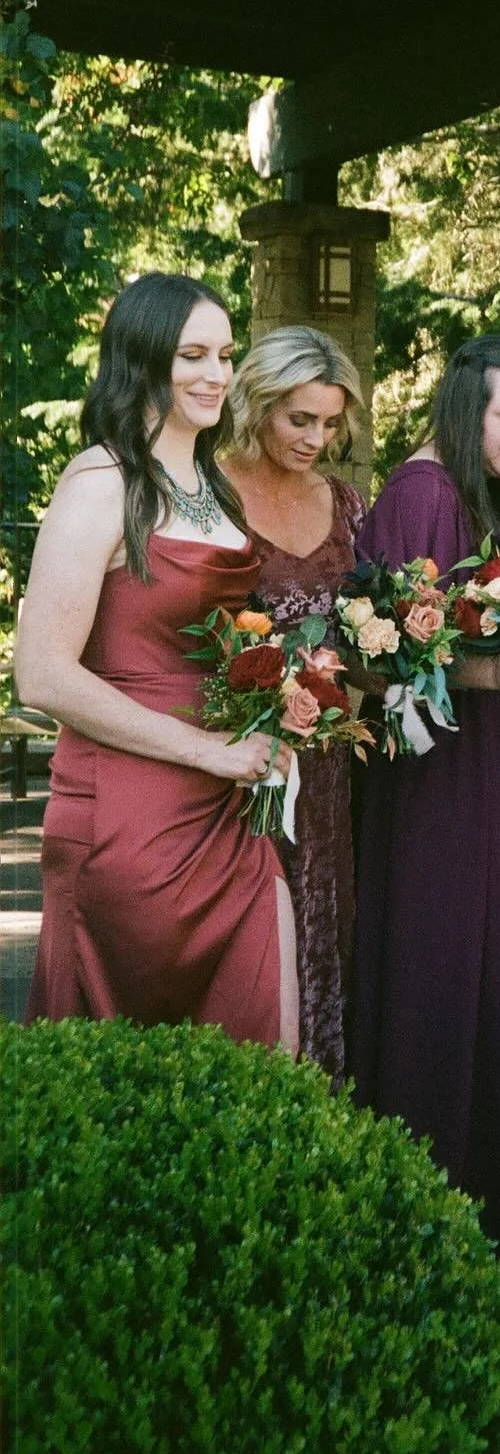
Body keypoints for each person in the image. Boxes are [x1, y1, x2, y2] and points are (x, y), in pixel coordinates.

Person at [19, 273, 297, 1049]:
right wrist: (207, 749)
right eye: (192, 356)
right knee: (129, 1061)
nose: (217, 375)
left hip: (232, 805)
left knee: (270, 1043)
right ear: (144, 360)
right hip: (130, 815)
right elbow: (41, 673)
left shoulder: (214, 488)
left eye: (225, 355)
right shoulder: (102, 482)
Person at [348, 335, 500, 1265]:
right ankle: (445, 1189)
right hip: (448, 783)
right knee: (450, 957)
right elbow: (394, 661)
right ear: (465, 406)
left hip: (491, 770)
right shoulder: (427, 495)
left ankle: (491, 1182)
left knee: (495, 954)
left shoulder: (474, 493)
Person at [224, 326, 367, 1088]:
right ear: (259, 402)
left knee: (325, 924)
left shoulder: (346, 502)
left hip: (332, 767)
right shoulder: (211, 491)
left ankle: (318, 1114)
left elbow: (374, 625)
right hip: (239, 764)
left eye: (330, 422)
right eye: (299, 419)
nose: (317, 438)